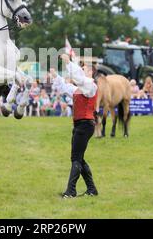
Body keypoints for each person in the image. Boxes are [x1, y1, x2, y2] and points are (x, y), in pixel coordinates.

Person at [51, 54, 98, 198]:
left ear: (91, 73)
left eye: (84, 69)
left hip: (85, 125)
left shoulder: (90, 85)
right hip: (80, 125)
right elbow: (66, 87)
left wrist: (68, 62)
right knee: (79, 158)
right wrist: (56, 76)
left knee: (76, 158)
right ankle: (92, 189)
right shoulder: (80, 88)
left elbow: (79, 78)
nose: (82, 70)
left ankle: (70, 191)